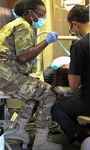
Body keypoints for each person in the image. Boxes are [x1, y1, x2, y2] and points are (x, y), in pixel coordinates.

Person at [0, 0, 62, 150]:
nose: (41, 19)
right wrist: (46, 41)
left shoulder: (10, 25)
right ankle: (40, 142)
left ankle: (19, 129)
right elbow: (23, 57)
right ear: (29, 13)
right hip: (5, 76)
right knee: (49, 93)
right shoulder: (24, 26)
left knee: (35, 92)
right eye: (39, 15)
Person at [51, 4, 90, 144]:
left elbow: (73, 86)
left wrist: (73, 67)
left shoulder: (80, 45)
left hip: (88, 102)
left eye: (71, 28)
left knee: (58, 108)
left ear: (75, 24)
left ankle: (83, 139)